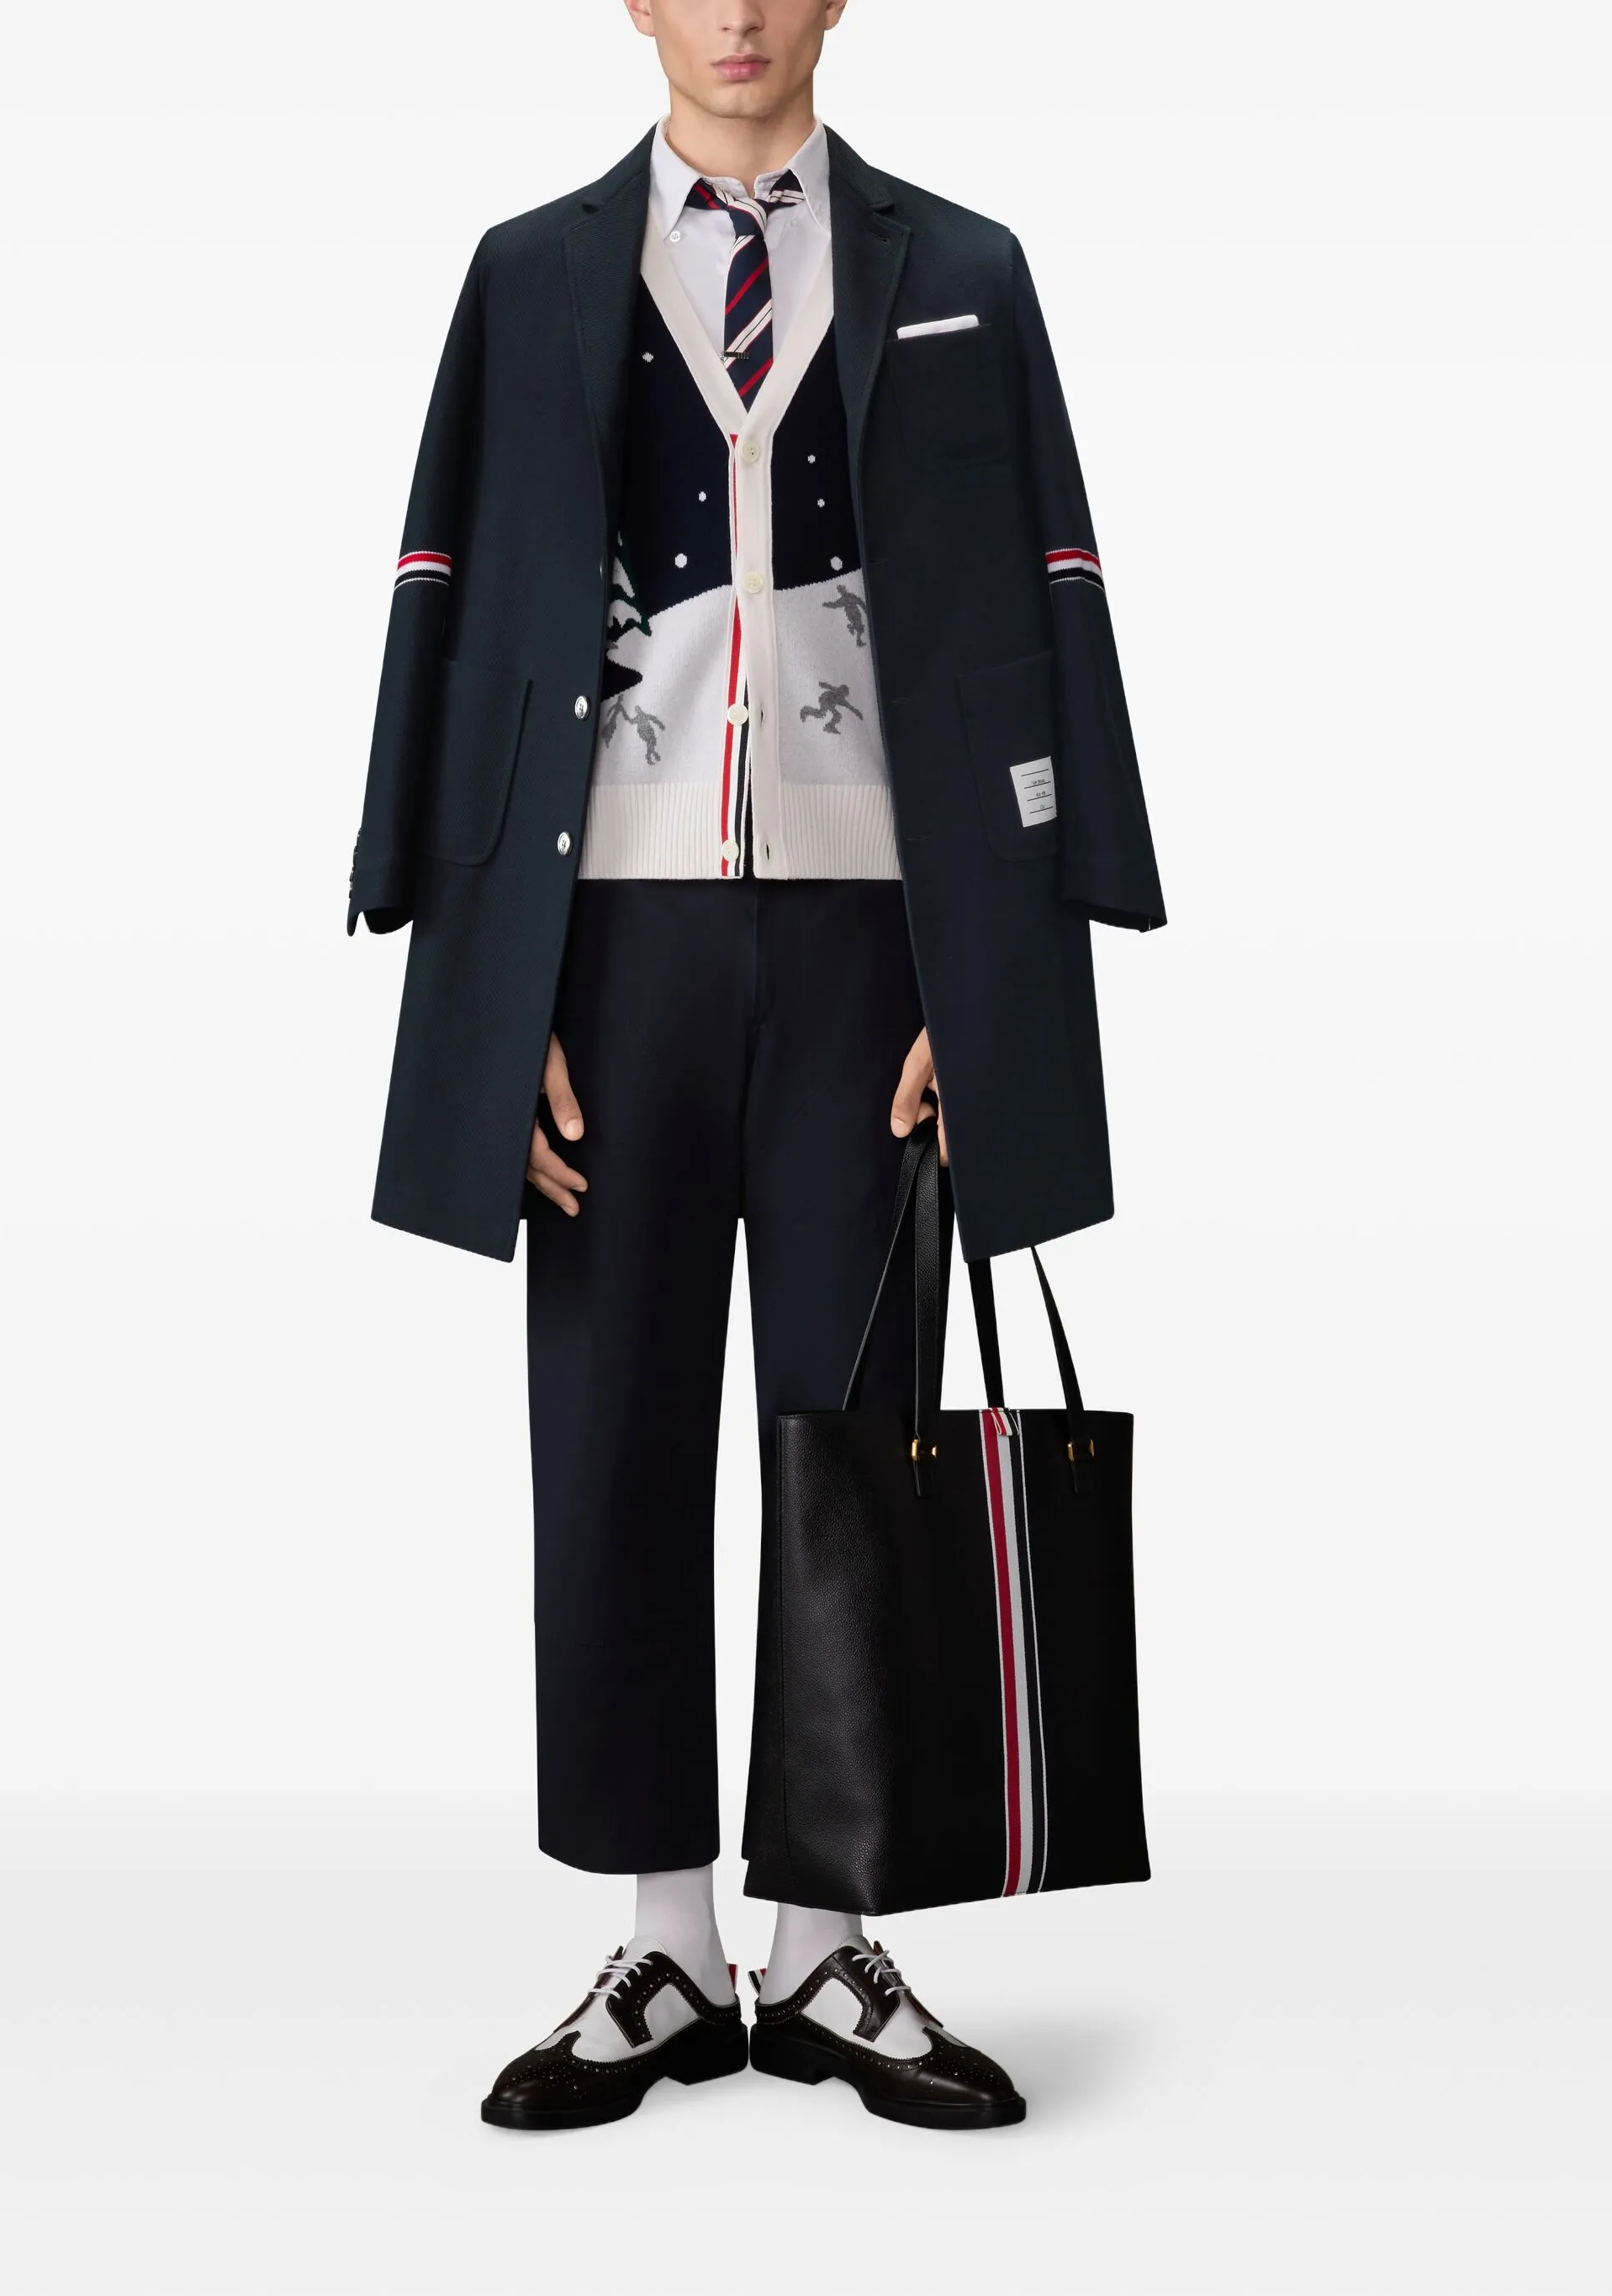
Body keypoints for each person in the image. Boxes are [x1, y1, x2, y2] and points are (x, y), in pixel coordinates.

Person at [349, 0, 1164, 2133]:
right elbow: (442, 597)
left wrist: (992, 977)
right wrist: (488, 990)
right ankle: (660, 1944)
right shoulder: (526, 273)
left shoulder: (963, 266)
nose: (733, 14)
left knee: (855, 1432)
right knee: (611, 1429)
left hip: (877, 945)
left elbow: (1051, 590)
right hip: (600, 939)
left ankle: (821, 1946)